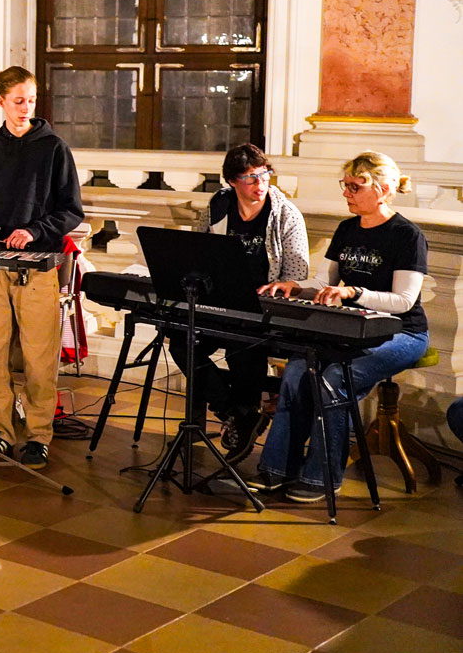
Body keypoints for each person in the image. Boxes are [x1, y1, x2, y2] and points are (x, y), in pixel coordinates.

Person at [253, 152, 430, 503]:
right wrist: (297, 287)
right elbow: (324, 281)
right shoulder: (347, 229)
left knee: (334, 381)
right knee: (297, 371)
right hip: (355, 328)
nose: (347, 193)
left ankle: (322, 478)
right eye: (345, 185)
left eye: (355, 186)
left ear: (382, 189)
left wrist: (354, 292)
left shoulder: (407, 235)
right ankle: (277, 469)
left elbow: (404, 301)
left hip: (403, 333)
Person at [0, 66, 84, 469]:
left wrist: (34, 231)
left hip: (37, 269)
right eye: (18, 101)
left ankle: (38, 435)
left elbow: (71, 211)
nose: (26, 108)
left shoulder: (53, 149)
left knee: (38, 357)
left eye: (31, 100)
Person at [174, 144, 309, 462]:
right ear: (233, 181)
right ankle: (235, 412)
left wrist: (280, 286)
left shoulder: (285, 214)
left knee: (243, 348)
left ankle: (244, 415)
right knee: (181, 341)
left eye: (264, 175)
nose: (261, 184)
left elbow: (297, 275)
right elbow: (198, 249)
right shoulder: (219, 205)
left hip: (263, 310)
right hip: (221, 304)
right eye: (251, 178)